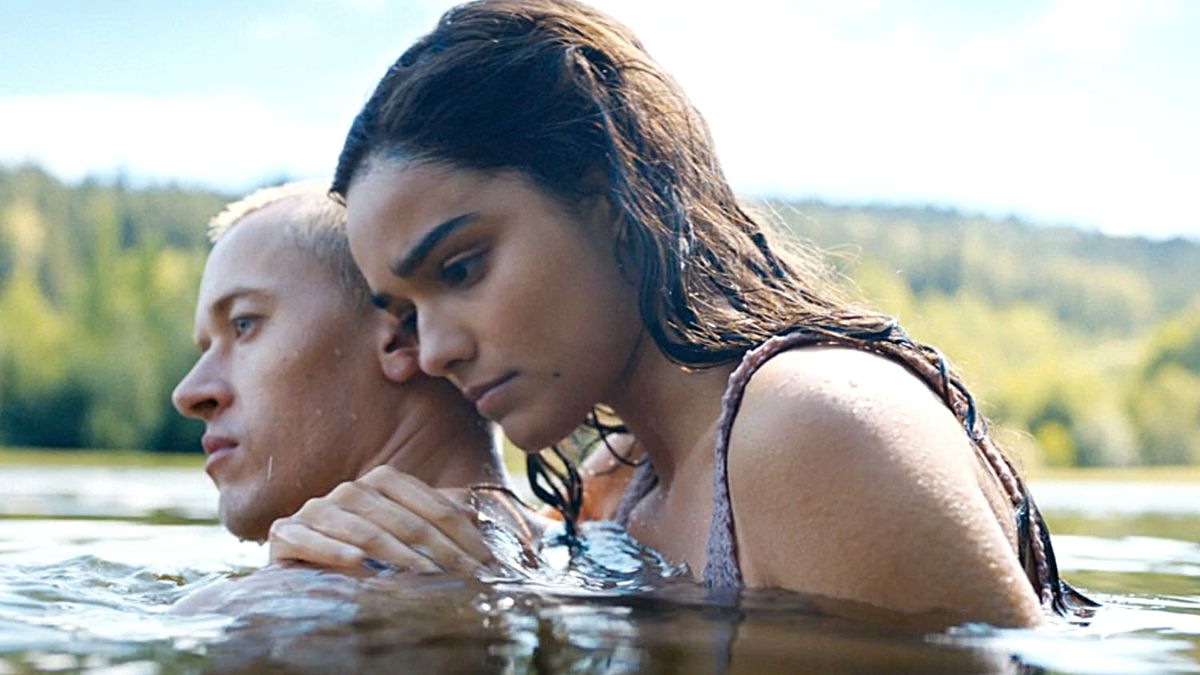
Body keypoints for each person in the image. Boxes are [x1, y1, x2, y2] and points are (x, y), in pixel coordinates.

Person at [270, 0, 1095, 628]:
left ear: (606, 196)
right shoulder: (616, 486)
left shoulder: (812, 431)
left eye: (461, 267)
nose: (435, 349)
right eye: (405, 312)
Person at [171, 181, 531, 576]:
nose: (189, 393)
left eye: (244, 324)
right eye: (205, 348)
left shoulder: (312, 589)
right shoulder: (571, 536)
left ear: (404, 335)